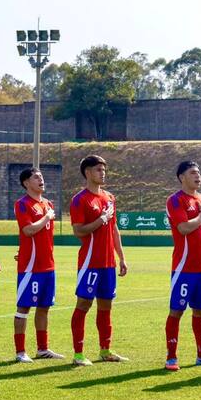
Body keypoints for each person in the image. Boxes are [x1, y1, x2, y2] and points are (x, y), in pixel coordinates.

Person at [163, 161, 201, 371]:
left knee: (200, 311)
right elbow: (182, 228)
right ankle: (171, 358)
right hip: (184, 268)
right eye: (193, 173)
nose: (198, 176)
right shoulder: (175, 200)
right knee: (176, 311)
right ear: (182, 177)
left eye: (199, 172)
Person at [69, 155, 128, 367]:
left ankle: (105, 350)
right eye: (98, 170)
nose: (102, 173)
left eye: (104, 169)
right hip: (90, 263)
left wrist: (121, 257)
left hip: (107, 264)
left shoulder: (110, 198)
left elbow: (114, 229)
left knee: (106, 306)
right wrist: (99, 220)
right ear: (87, 173)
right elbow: (78, 231)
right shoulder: (80, 200)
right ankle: (78, 353)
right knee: (83, 304)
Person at [12, 168, 63, 362]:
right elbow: (28, 230)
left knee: (44, 307)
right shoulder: (23, 204)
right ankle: (20, 352)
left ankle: (43, 349)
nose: (41, 179)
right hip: (30, 267)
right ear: (26, 183)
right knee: (23, 307)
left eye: (41, 176)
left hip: (47, 265)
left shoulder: (47, 203)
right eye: (36, 177)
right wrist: (47, 217)